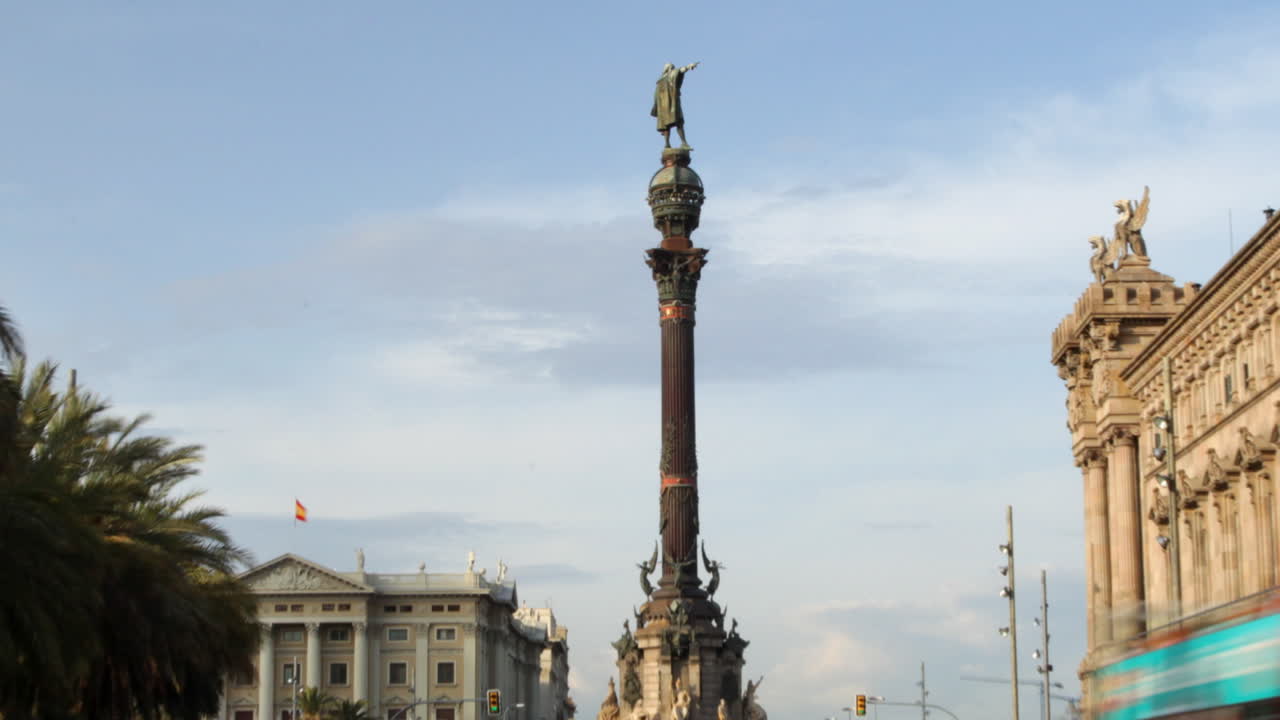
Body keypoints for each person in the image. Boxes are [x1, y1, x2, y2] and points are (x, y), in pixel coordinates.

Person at [651, 62, 699, 148]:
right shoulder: (670, 75)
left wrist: (656, 108)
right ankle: (683, 143)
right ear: (669, 69)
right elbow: (680, 71)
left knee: (666, 125)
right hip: (672, 104)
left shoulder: (659, 83)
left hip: (662, 107)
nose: (673, 69)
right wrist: (688, 66)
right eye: (672, 68)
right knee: (679, 122)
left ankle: (667, 144)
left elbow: (655, 96)